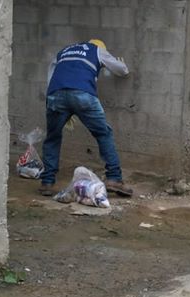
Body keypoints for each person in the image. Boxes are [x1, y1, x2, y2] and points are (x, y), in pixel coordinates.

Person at [38, 39, 133, 197]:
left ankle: (47, 182)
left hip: (56, 94)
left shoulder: (64, 51)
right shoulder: (97, 49)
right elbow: (121, 70)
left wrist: (57, 100)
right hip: (83, 94)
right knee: (103, 134)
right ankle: (114, 178)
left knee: (52, 138)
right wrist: (122, 65)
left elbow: (51, 76)